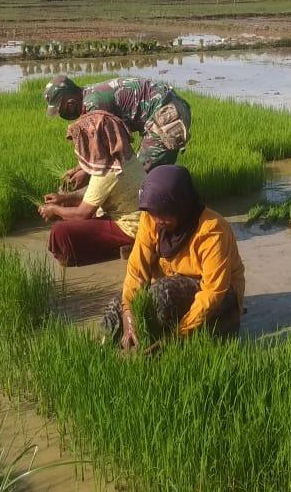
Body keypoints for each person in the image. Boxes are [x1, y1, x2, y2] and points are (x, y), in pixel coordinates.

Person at [104, 165, 244, 350]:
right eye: (154, 213)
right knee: (117, 305)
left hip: (220, 300)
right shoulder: (149, 219)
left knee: (161, 294)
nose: (158, 220)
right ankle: (109, 346)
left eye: (165, 214)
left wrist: (178, 335)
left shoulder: (212, 230)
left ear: (182, 206)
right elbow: (137, 272)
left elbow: (213, 292)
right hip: (174, 292)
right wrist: (129, 318)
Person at [43, 75, 192, 187]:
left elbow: (108, 152)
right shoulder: (89, 96)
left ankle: (157, 218)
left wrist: (86, 173)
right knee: (156, 176)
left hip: (166, 115)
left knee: (139, 177)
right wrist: (80, 168)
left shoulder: (95, 105)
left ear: (69, 101)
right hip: (168, 110)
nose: (62, 115)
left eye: (59, 109)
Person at [39, 111, 144, 267]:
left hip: (131, 228)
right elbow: (95, 193)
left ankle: (78, 258)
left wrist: (54, 210)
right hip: (141, 220)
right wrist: (64, 198)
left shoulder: (107, 170)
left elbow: (82, 214)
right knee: (69, 207)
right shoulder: (123, 157)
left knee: (60, 231)